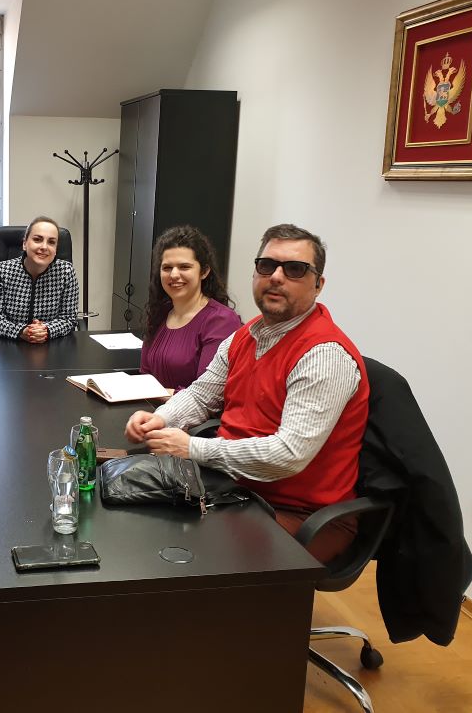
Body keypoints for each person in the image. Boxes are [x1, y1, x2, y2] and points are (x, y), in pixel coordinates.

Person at [125, 224, 369, 563]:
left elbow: (288, 455)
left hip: (296, 512)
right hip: (236, 489)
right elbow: (201, 395)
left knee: (177, 554)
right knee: (135, 520)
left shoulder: (323, 355)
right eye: (267, 266)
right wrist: (162, 418)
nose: (276, 277)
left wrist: (192, 447)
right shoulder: (247, 335)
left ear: (319, 284)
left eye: (294, 269)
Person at [140, 226, 241, 390]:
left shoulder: (221, 321)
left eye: (184, 267)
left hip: (187, 408)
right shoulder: (160, 313)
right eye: (167, 268)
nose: (174, 275)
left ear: (204, 272)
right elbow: (145, 374)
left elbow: (207, 393)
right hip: (150, 404)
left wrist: (155, 393)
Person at [0, 215, 79, 341]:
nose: (44, 247)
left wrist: (46, 330)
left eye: (51, 242)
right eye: (37, 239)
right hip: (8, 344)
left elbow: (69, 318)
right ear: (24, 244)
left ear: (56, 249)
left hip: (51, 344)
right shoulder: (2, 271)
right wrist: (21, 331)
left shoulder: (66, 272)